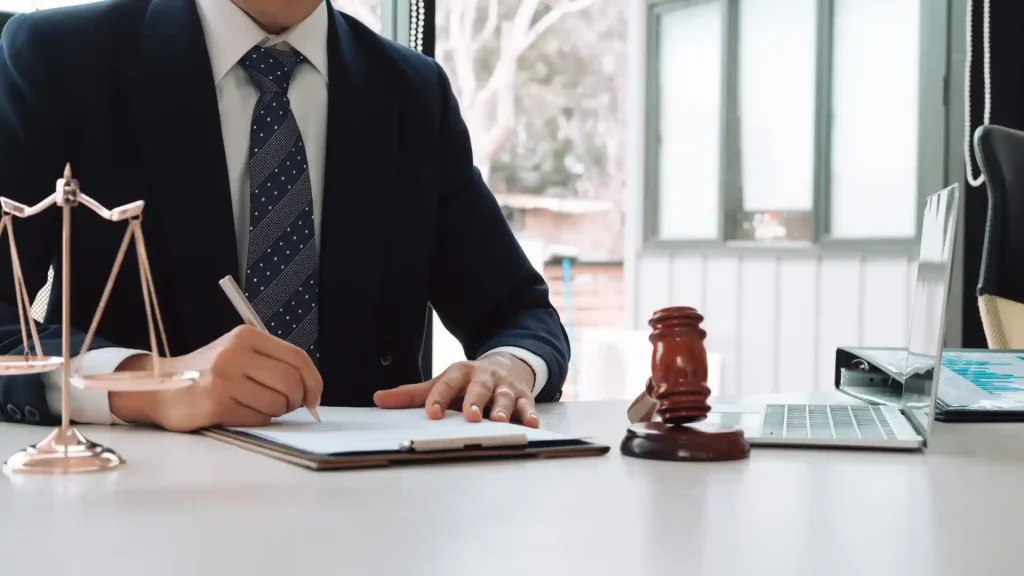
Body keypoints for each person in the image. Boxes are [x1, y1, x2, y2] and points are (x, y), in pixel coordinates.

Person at [0, 0, 569, 432]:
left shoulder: (412, 92)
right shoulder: (58, 58)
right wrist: (151, 384)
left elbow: (518, 312)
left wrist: (506, 368)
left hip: (374, 513)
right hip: (135, 512)